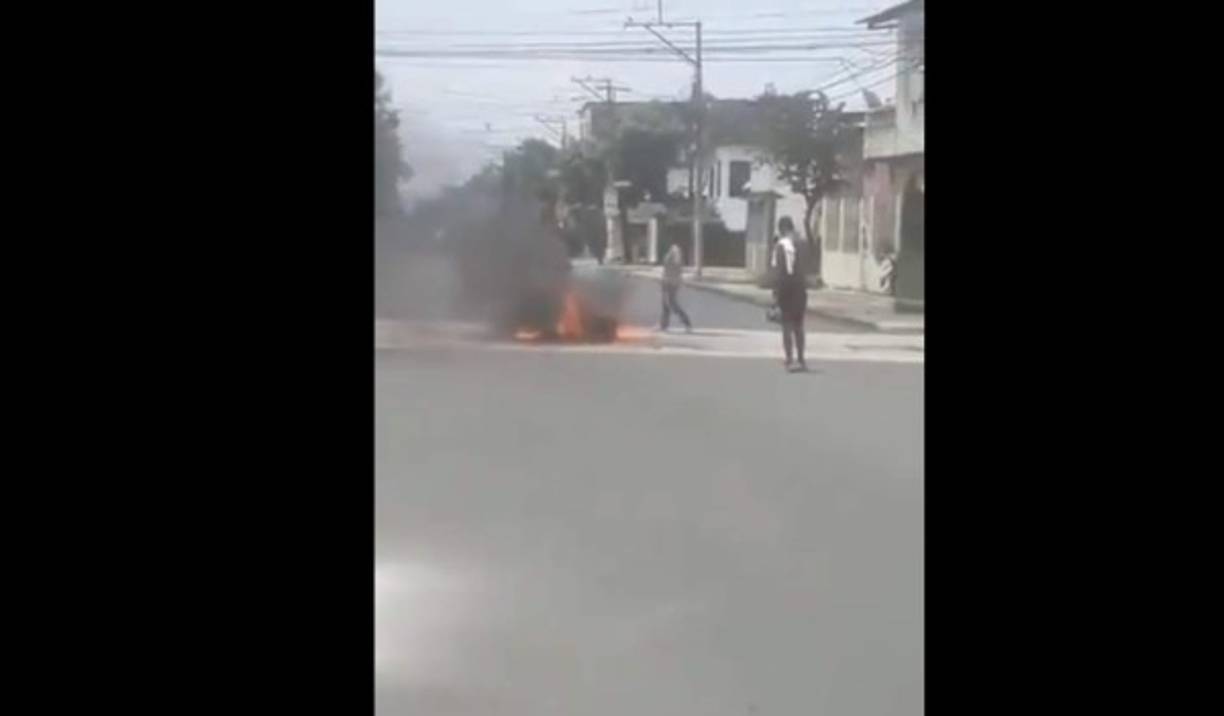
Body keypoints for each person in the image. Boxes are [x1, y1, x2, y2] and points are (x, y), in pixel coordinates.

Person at [771, 216, 807, 371]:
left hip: (786, 288)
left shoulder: (780, 246)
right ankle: (801, 359)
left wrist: (776, 296)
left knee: (786, 326)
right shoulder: (800, 244)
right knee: (798, 326)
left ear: (781, 229)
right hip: (800, 289)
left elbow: (780, 272)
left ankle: (789, 359)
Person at [660, 243, 693, 332]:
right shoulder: (677, 260)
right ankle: (664, 325)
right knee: (667, 305)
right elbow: (675, 274)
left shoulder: (670, 259)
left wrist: (665, 281)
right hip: (672, 284)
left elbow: (667, 271)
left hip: (668, 284)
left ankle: (686, 323)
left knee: (671, 305)